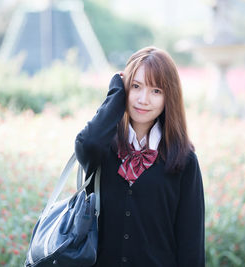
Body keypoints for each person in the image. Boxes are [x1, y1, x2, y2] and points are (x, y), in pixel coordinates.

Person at [75, 46, 205, 267]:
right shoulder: (103, 148)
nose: (143, 99)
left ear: (168, 97)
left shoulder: (184, 160)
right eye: (136, 86)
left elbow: (191, 243)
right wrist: (116, 92)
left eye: (156, 91)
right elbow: (87, 143)